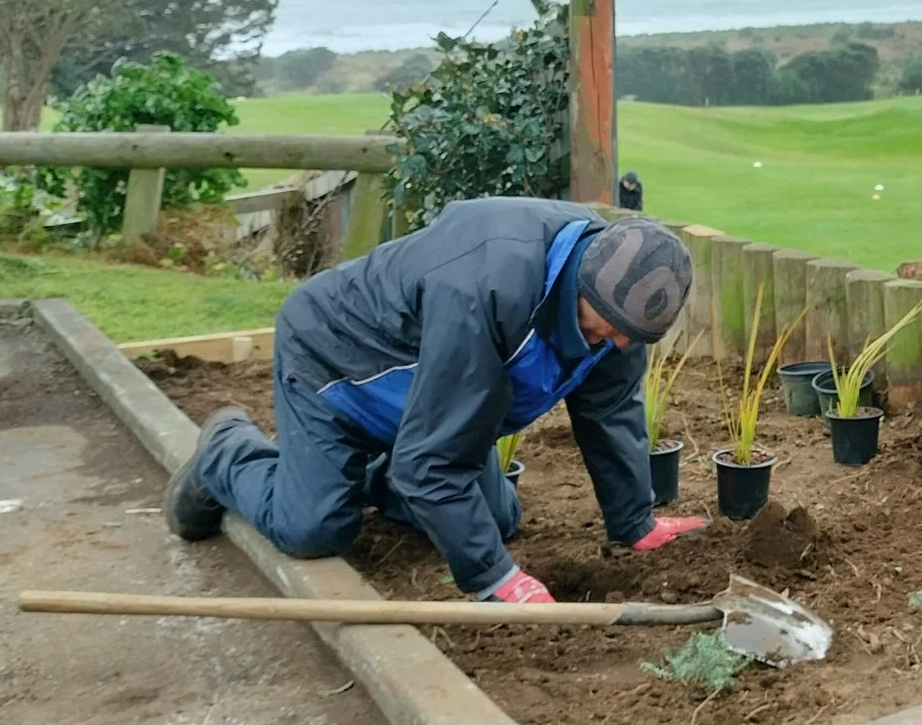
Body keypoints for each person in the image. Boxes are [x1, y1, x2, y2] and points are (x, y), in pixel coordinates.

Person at [163, 198, 707, 604]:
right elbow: (431, 464)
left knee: (495, 519)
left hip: (427, 392)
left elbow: (610, 411)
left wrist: (635, 524)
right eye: (606, 329)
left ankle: (372, 475)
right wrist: (496, 579)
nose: (617, 345)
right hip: (337, 366)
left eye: (629, 338)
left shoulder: (620, 310)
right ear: (579, 286)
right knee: (315, 528)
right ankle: (228, 450)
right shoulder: (486, 290)